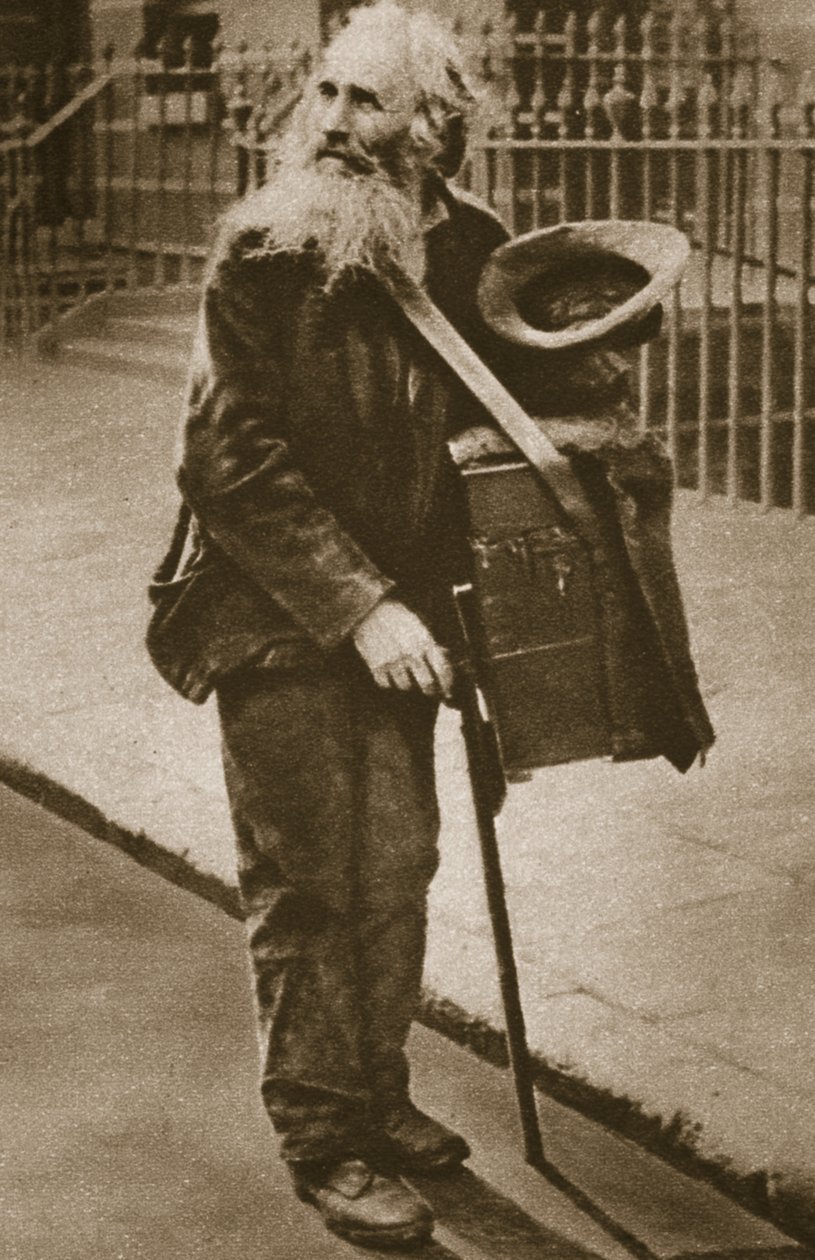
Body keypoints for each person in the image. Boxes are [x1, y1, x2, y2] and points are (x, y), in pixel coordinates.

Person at [149, 3, 510, 1248]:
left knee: (397, 866)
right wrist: (360, 608)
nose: (340, 125)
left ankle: (376, 1089)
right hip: (273, 608)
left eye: (370, 102)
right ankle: (321, 1137)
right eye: (329, 95)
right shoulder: (261, 248)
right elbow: (228, 458)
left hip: (408, 618)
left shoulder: (465, 244)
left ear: (433, 122)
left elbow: (523, 382)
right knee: (307, 879)